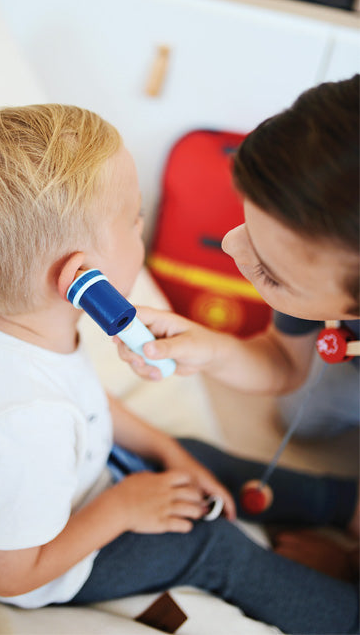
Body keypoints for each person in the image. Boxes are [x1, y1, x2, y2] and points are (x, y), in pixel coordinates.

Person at [0, 103, 358, 635]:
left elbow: (85, 401)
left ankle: (343, 504)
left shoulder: (1, 319)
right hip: (45, 564)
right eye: (136, 218)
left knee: (191, 451)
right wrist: (122, 508)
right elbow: (7, 574)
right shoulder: (26, 426)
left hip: (77, 482)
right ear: (82, 277)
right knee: (210, 546)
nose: (143, 225)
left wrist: (164, 451)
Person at [116, 76, 360, 597]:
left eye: (270, 274)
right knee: (300, 416)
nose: (232, 248)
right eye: (242, 219)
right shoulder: (326, 230)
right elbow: (283, 363)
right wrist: (211, 348)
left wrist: (351, 563)